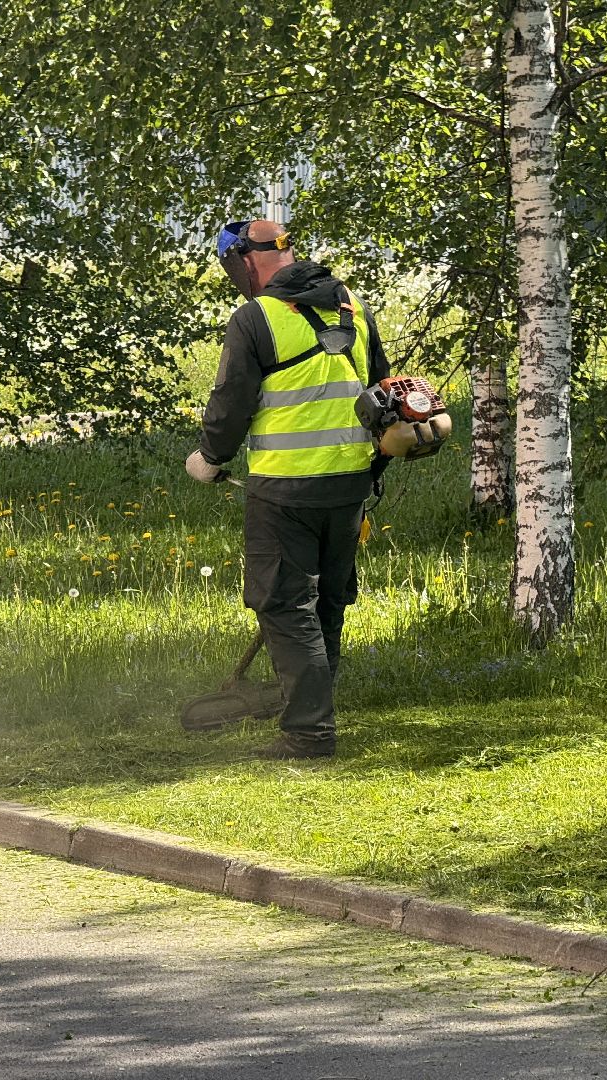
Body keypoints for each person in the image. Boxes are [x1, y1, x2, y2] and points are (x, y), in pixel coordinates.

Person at [185, 219, 391, 759]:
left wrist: (209, 458)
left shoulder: (256, 318)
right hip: (350, 485)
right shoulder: (353, 308)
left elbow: (231, 402)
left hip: (284, 491)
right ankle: (310, 709)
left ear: (244, 262)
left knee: (284, 605)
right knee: (326, 604)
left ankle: (308, 731)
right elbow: (381, 391)